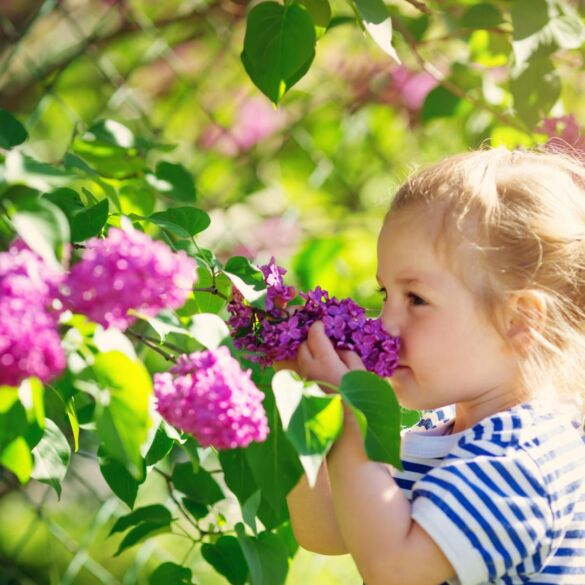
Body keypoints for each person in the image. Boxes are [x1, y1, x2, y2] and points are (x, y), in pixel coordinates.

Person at [283, 147, 585, 585]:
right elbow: (329, 531)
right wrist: (304, 408)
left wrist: (352, 423)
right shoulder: (444, 431)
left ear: (518, 321)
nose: (384, 323)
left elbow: (394, 571)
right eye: (385, 293)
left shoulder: (520, 460)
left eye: (416, 299)